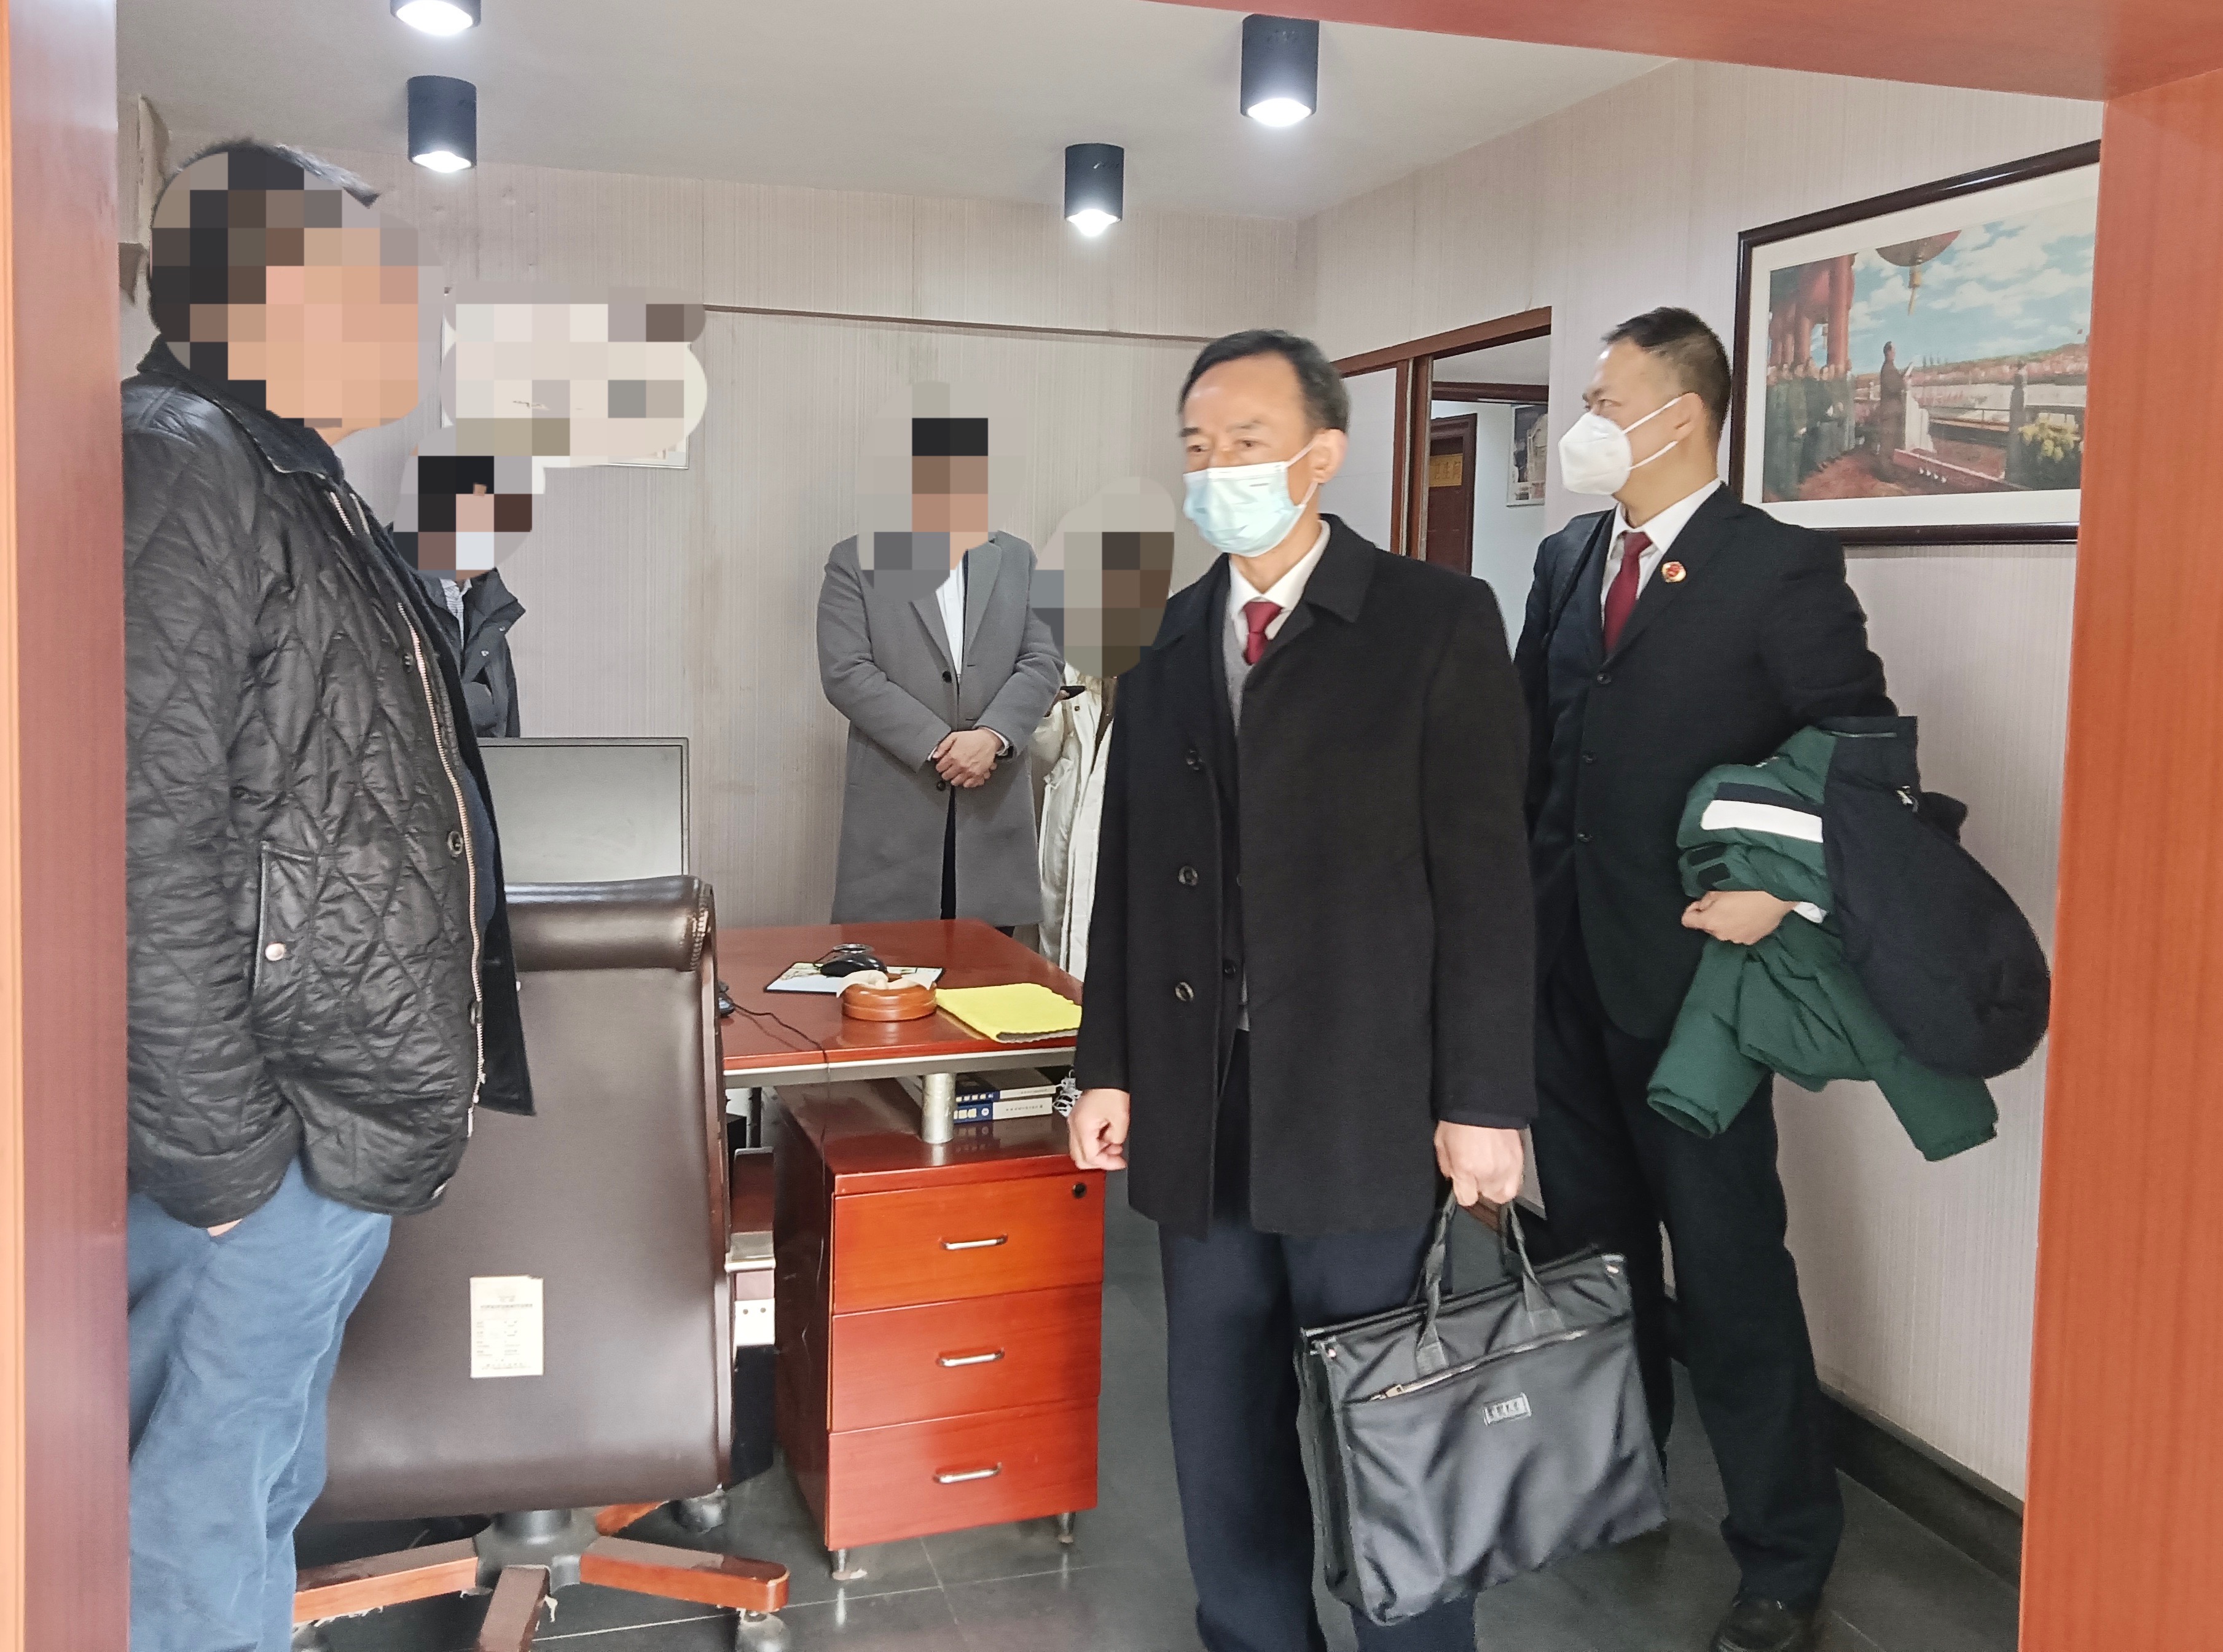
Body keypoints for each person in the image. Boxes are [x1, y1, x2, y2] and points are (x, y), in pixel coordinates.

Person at [125, 142, 533, 1652]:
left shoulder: (296, 481)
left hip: (327, 1136)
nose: (404, 317)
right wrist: (225, 1159)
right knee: (189, 1535)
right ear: (267, 293)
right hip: (260, 1156)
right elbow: (137, 830)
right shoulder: (181, 459)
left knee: (251, 1500)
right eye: (375, 285)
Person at [1067, 329, 1533, 1652]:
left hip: (1364, 1101)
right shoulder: (1172, 634)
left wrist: (1484, 1098)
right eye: (1198, 446)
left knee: (1389, 1417)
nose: (1216, 468)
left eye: (1248, 442)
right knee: (1217, 1418)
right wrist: (1108, 1063)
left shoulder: (1434, 621)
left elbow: (1487, 881)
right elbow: (1127, 870)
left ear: (1323, 455)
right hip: (1200, 1097)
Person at [1515, 307, 1893, 1652]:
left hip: (1700, 987)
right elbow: (1532, 748)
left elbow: (1863, 749)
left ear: (1680, 415)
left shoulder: (1775, 567)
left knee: (1728, 1268)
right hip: (1565, 964)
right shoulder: (1568, 558)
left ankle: (1783, 1557)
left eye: (1604, 400)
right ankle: (1614, 1485)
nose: (1585, 422)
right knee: (1589, 1255)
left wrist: (1783, 886)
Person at [817, 412, 1062, 926]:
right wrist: (939, 744)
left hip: (992, 806)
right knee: (892, 968)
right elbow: (846, 672)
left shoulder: (1018, 558)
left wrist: (992, 736)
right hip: (895, 809)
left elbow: (1043, 658)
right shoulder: (853, 560)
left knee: (987, 968)